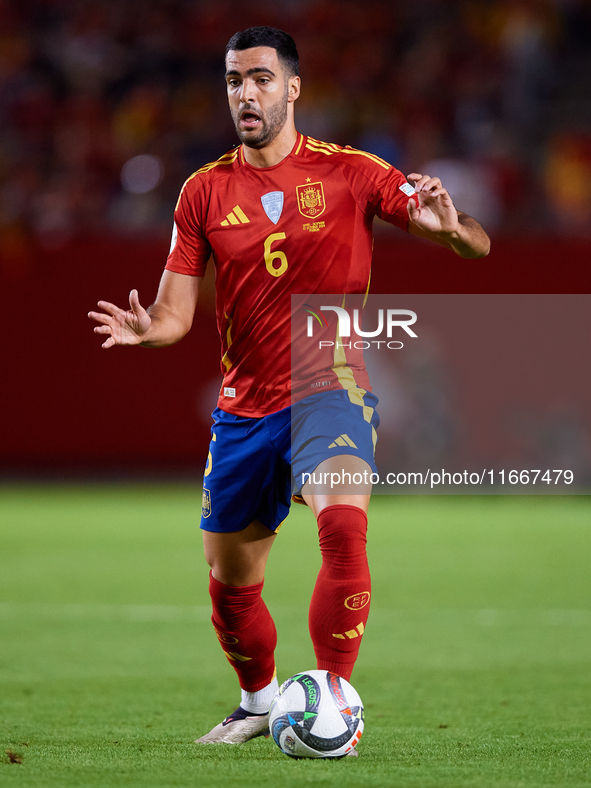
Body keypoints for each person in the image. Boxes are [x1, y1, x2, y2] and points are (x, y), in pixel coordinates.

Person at [89, 26, 490, 751]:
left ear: (293, 88)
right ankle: (256, 703)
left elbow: (475, 245)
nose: (245, 93)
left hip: (328, 387)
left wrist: (451, 226)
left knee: (342, 527)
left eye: (260, 79)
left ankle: (333, 697)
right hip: (244, 410)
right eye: (234, 80)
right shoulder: (202, 192)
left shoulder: (354, 172)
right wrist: (151, 330)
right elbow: (177, 312)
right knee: (229, 586)